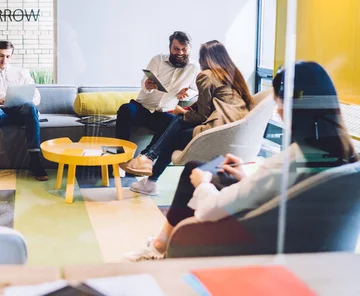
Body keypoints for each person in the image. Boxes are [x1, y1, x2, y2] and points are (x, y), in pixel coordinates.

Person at [124, 61, 358, 261]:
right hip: (301, 241)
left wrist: (204, 182)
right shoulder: (346, 158)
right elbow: (285, 194)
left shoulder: (291, 160)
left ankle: (160, 246)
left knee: (197, 172)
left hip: (254, 240)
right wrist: (246, 179)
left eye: (279, 104)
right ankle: (160, 245)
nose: (278, 113)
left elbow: (209, 211)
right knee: (205, 167)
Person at [123, 40, 252, 195]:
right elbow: (210, 105)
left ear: (205, 58)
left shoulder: (206, 75)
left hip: (217, 129)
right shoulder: (232, 73)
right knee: (177, 121)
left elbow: (202, 115)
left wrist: (182, 113)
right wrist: (183, 110)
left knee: (176, 130)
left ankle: (149, 165)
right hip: (238, 130)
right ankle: (148, 161)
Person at [0, 40, 48, 185]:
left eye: (8, 56)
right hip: (1, 114)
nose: (4, 60)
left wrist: (26, 102)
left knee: (30, 106)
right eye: (1, 56)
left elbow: (36, 96)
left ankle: (35, 161)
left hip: (21, 111)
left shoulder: (22, 73)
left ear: (11, 57)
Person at [115, 31, 199, 153]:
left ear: (190, 49)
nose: (180, 53)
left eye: (184, 49)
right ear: (170, 47)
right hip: (142, 108)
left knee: (172, 121)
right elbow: (145, 82)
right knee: (125, 109)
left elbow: (194, 90)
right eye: (176, 49)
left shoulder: (194, 67)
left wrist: (186, 94)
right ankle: (121, 152)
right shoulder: (158, 60)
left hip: (164, 113)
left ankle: (145, 156)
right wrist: (147, 85)